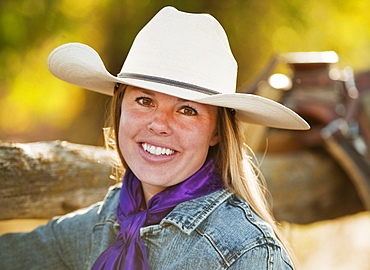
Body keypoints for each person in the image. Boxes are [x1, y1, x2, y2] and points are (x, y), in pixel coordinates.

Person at [0, 6, 309, 269]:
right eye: (145, 101)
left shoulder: (244, 253)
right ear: (120, 108)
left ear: (216, 131)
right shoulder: (106, 221)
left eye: (187, 110)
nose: (160, 125)